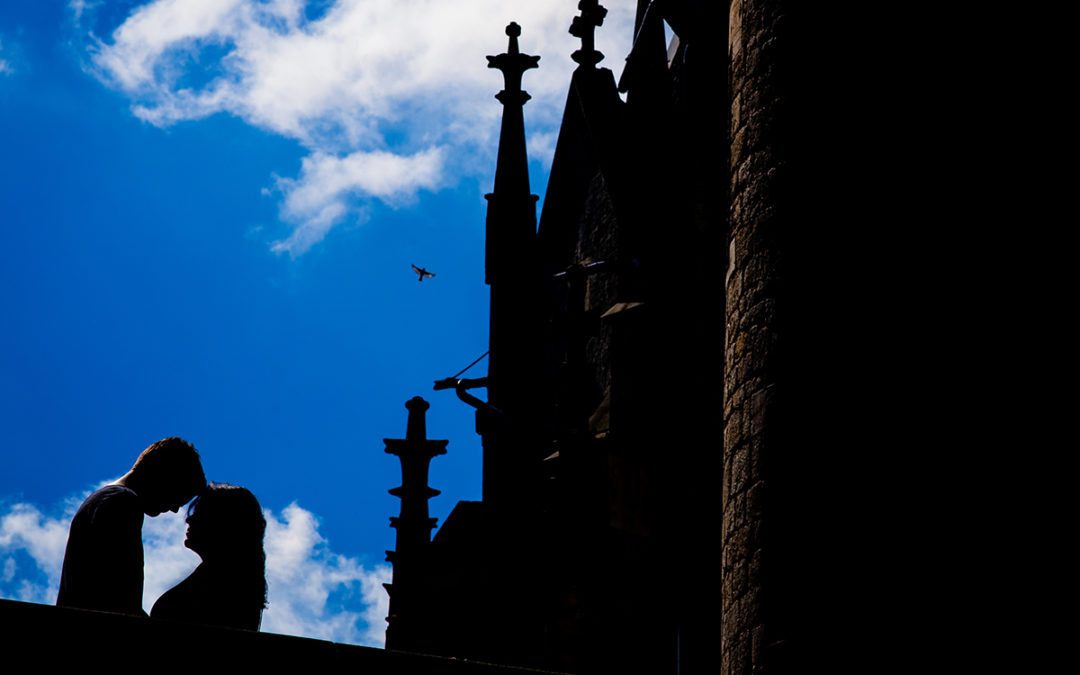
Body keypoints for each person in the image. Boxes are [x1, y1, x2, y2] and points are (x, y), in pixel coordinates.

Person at [57, 437, 206, 615]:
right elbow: (117, 596)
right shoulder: (121, 503)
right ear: (164, 474)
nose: (174, 509)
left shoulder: (104, 499)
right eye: (178, 495)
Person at [151, 483, 268, 631]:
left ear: (224, 524)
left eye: (201, 514)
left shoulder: (225, 587)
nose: (189, 520)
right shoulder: (234, 583)